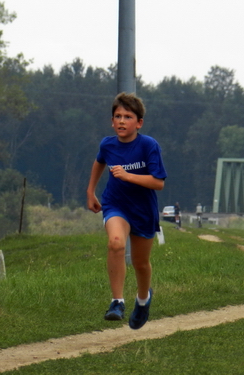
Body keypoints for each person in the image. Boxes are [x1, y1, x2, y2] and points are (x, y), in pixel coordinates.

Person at [86, 92, 167, 330]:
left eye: (128, 117)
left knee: (140, 264)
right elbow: (99, 161)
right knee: (116, 243)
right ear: (112, 121)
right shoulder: (107, 144)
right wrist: (90, 191)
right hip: (115, 204)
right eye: (118, 116)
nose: (122, 121)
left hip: (143, 210)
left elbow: (158, 182)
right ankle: (117, 302)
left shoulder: (148, 145)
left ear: (139, 123)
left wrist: (128, 175)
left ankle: (143, 299)